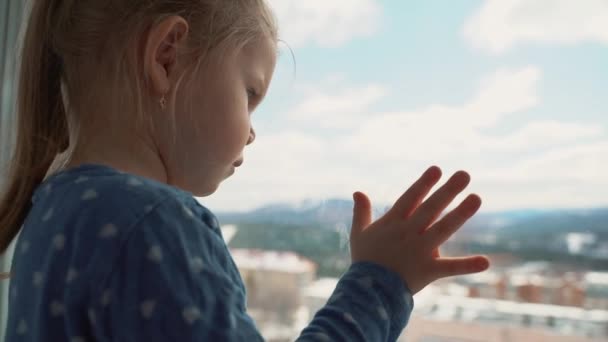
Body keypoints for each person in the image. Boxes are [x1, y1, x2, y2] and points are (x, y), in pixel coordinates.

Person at [0, 0, 490, 341]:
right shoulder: (153, 222)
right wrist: (381, 282)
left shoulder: (55, 207)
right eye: (250, 95)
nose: (252, 132)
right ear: (167, 56)